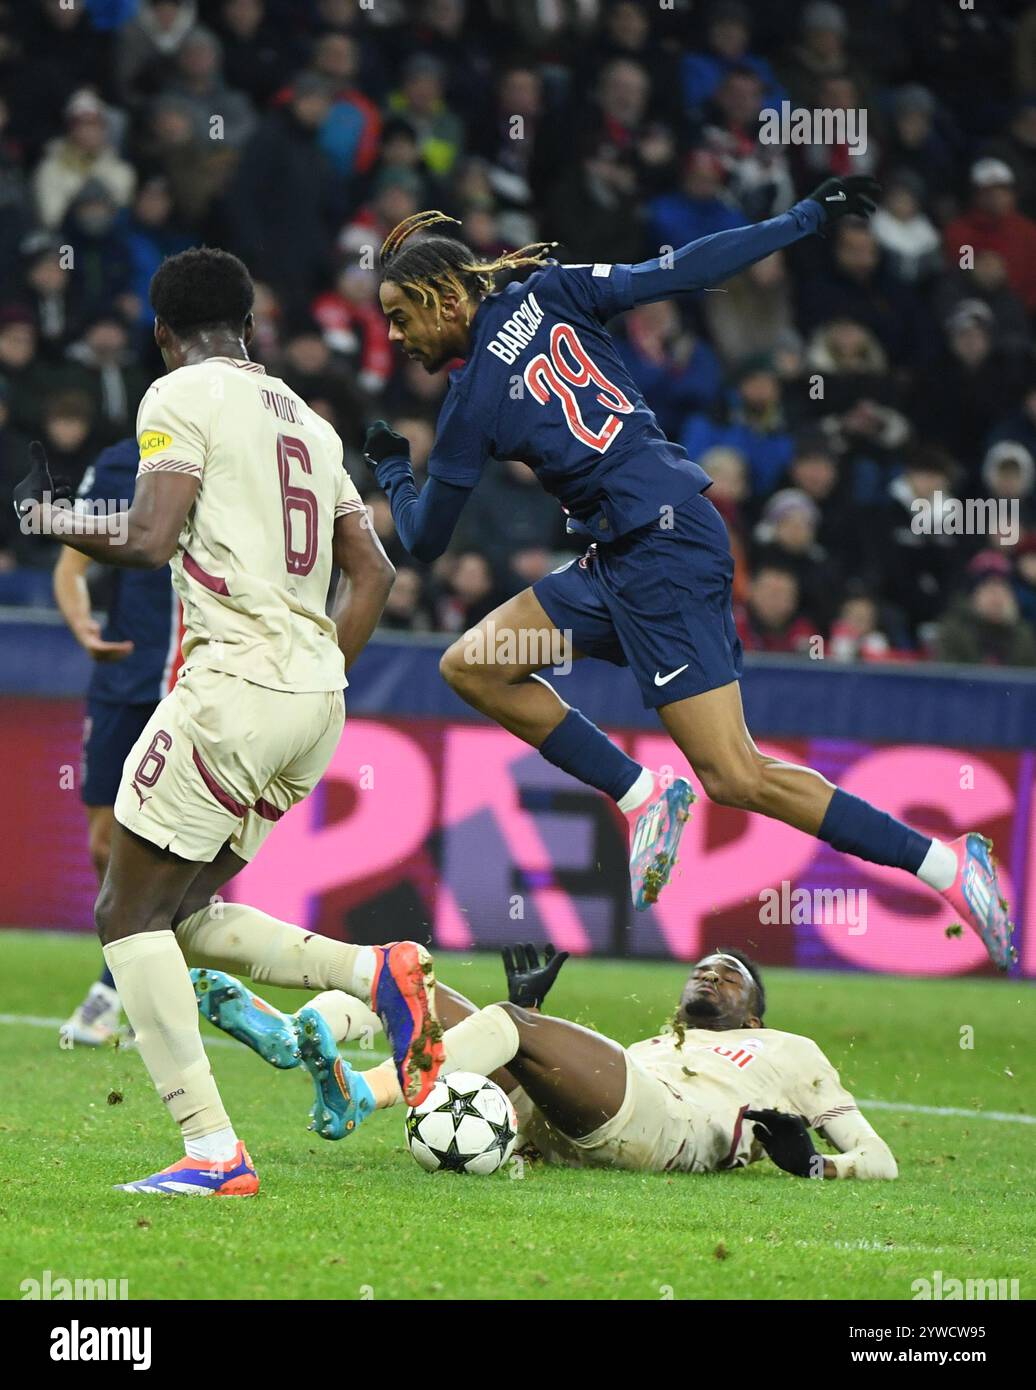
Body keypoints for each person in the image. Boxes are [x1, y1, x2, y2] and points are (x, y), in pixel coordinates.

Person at [362, 180, 1015, 972]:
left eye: (401, 315)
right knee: (474, 664)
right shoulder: (553, 290)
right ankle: (644, 796)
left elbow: (426, 538)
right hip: (629, 550)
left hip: (659, 556)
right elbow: (682, 273)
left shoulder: (469, 405)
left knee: (735, 774)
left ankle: (947, 867)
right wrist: (801, 219)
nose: (396, 336)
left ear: (442, 300)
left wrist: (396, 471)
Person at [11, 246, 442, 1196]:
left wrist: (42, 516)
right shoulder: (311, 422)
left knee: (124, 911)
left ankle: (213, 1150)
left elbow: (147, 537)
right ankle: (378, 975)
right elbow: (374, 570)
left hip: (234, 688)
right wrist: (322, 667)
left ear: (164, 335)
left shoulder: (177, 397)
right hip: (314, 702)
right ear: (246, 324)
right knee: (180, 912)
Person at [191, 946, 898, 1181]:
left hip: (677, 1133)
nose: (710, 976)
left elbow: (880, 1157)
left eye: (730, 975)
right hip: (578, 1124)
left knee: (509, 1024)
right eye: (704, 969)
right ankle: (293, 1034)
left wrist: (820, 1166)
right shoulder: (659, 1044)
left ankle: (361, 1095)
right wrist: (523, 1044)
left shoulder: (789, 1052)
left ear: (754, 1015)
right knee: (414, 986)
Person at [54, 436, 182, 1047]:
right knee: (106, 844)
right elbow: (72, 565)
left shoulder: (232, 450)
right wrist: (82, 624)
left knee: (167, 845)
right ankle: (137, 983)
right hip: (124, 675)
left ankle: (117, 990)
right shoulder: (116, 463)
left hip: (191, 680)